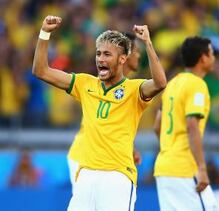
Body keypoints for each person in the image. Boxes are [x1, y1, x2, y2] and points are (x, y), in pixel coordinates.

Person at [32, 15, 167, 211]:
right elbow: (41, 71)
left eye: (107, 55)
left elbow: (160, 83)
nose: (100, 59)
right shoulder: (84, 83)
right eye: (98, 54)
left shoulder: (134, 89)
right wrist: (44, 33)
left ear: (122, 59)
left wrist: (147, 43)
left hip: (118, 176)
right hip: (86, 175)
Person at [67, 32, 143, 190]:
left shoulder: (126, 85)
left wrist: (130, 147)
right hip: (86, 156)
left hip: (100, 158)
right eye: (136, 51)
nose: (139, 55)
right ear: (125, 56)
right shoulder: (103, 82)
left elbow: (116, 123)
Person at [153, 36, 217, 211]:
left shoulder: (171, 84)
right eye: (212, 53)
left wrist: (170, 148)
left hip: (164, 167)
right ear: (203, 58)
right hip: (185, 168)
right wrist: (202, 168)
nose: (214, 57)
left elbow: (157, 126)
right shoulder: (197, 85)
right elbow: (192, 125)